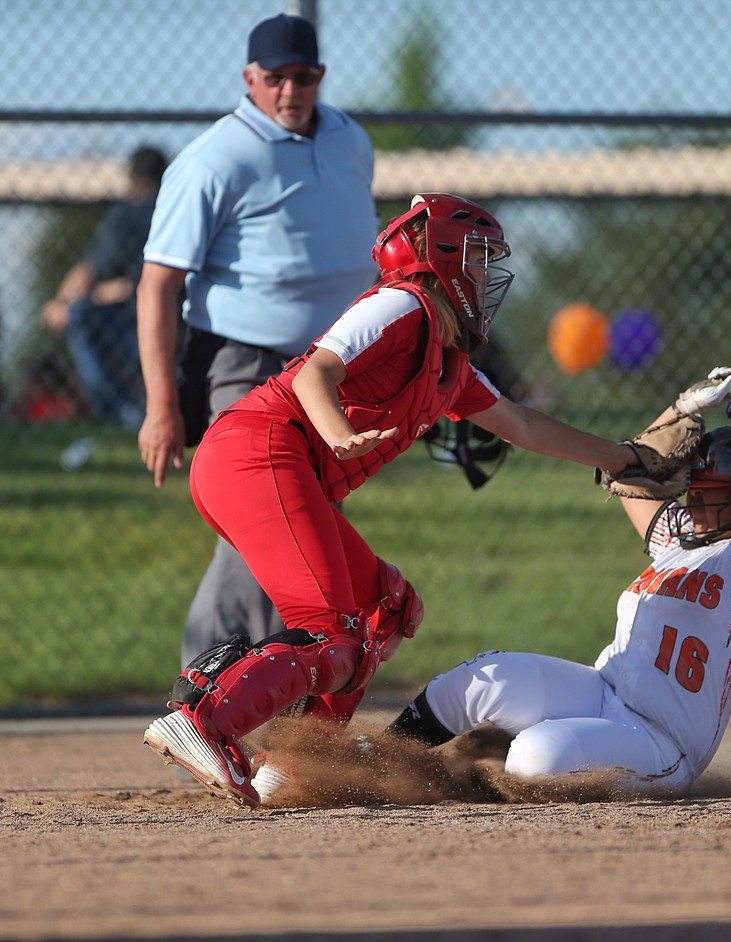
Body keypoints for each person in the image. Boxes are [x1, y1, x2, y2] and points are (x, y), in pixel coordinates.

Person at [143, 192, 660, 807]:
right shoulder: (402, 305)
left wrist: (625, 458)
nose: (483, 275)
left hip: (276, 465)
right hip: (256, 450)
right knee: (333, 631)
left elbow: (522, 425)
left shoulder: (451, 363)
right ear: (437, 256)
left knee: (383, 608)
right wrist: (338, 434)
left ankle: (297, 762)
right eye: (474, 258)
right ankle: (205, 720)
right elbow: (315, 372)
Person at [385, 357, 731, 795]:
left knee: (535, 760)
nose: (698, 504)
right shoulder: (679, 539)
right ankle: (374, 762)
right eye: (697, 492)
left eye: (713, 494)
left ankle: (493, 763)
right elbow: (627, 469)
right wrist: (683, 408)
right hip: (600, 691)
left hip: (661, 740)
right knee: (479, 679)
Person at [134, 14, 379, 667]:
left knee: (299, 524)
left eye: (303, 76)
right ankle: (204, 691)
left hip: (331, 368)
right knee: (265, 518)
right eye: (275, 78)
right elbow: (158, 284)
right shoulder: (216, 158)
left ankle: (270, 689)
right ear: (250, 79)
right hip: (247, 362)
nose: (290, 90)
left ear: (320, 77)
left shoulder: (351, 141)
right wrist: (161, 407)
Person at [41, 146, 168, 428]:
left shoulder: (128, 215)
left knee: (79, 313)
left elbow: (90, 271)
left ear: (132, 178)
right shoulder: (178, 211)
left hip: (137, 321)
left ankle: (118, 412)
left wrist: (62, 303)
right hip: (184, 317)